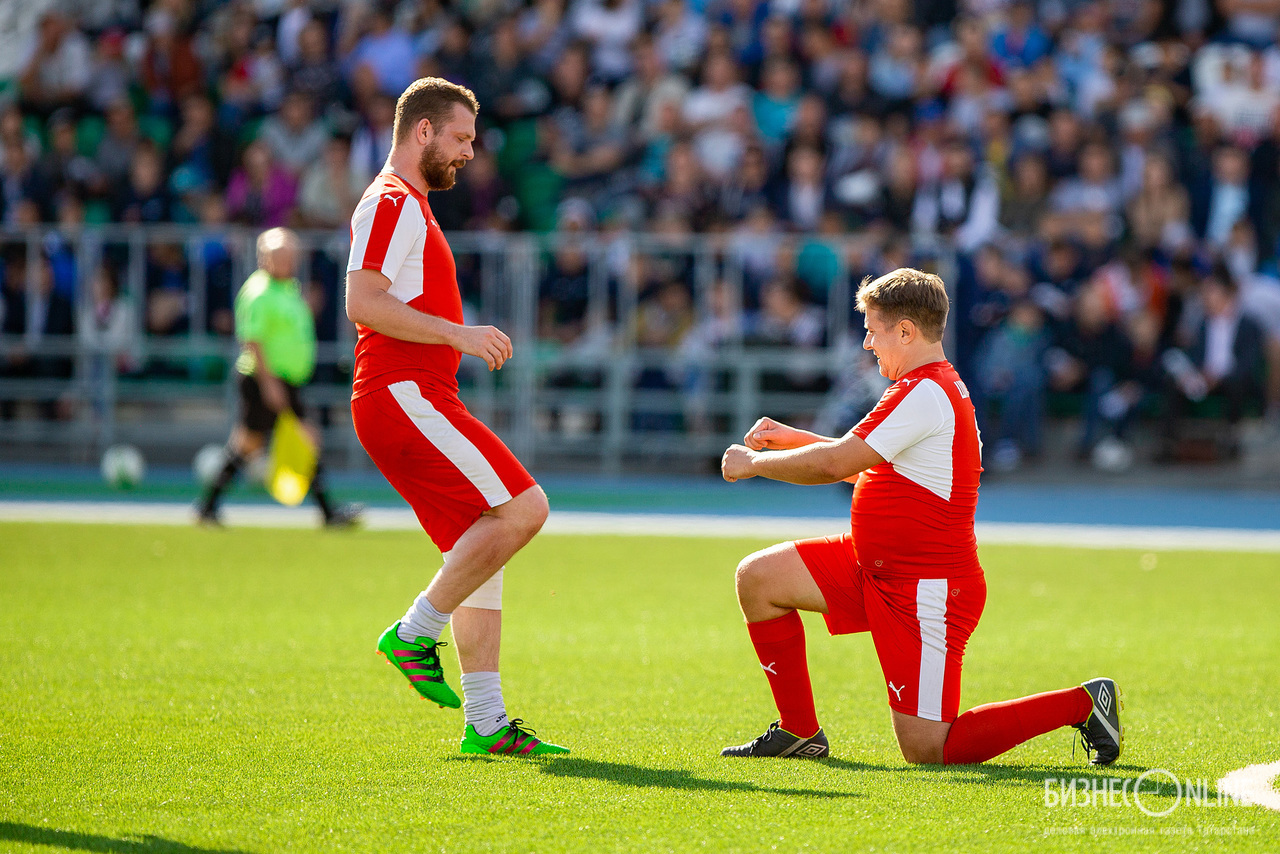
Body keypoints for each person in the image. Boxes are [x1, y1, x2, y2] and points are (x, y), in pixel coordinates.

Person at [717, 268, 1123, 766]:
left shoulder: (924, 392)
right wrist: (793, 438)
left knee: (929, 750)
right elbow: (864, 470)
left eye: (872, 329)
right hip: (879, 570)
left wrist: (753, 463)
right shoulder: (923, 388)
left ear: (905, 331)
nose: (867, 343)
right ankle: (799, 732)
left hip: (926, 589)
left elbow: (837, 463)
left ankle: (1084, 703)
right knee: (757, 578)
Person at [344, 77, 568, 757]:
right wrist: (458, 333)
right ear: (423, 131)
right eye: (462, 138)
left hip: (412, 395)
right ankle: (415, 630)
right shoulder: (394, 200)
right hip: (401, 392)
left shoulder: (407, 202)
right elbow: (362, 301)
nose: (470, 152)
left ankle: (487, 723)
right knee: (526, 509)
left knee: (482, 546)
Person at [196, 228, 361, 529]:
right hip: (266, 379)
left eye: (290, 255)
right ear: (263, 258)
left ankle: (207, 507)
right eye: (279, 255)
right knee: (291, 439)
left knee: (251, 444)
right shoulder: (260, 291)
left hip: (281, 380)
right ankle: (328, 512)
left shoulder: (285, 288)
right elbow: (253, 340)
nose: (287, 261)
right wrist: (270, 385)